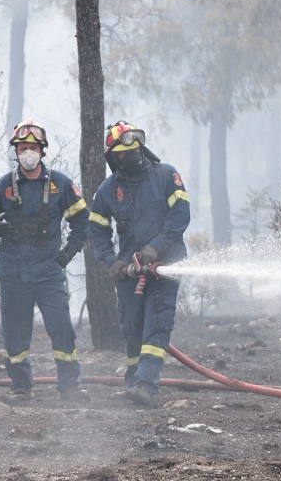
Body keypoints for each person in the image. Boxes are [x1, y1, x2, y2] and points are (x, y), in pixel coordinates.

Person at [0, 119, 90, 402]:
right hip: (13, 272)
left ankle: (69, 386)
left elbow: (82, 220)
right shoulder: (4, 185)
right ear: (16, 152)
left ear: (42, 151)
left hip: (48, 271)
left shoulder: (60, 184)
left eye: (33, 147)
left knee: (61, 328)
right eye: (23, 147)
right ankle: (21, 387)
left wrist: (67, 254)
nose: (28, 152)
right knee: (15, 334)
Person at [88, 120, 191, 406]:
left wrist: (154, 247)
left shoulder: (166, 175)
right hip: (130, 271)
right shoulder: (108, 190)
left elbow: (180, 216)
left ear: (141, 148)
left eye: (133, 150)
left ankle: (146, 385)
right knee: (132, 325)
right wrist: (112, 261)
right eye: (122, 153)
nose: (130, 156)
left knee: (156, 324)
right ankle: (134, 378)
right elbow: (96, 230)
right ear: (114, 158)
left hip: (166, 266)